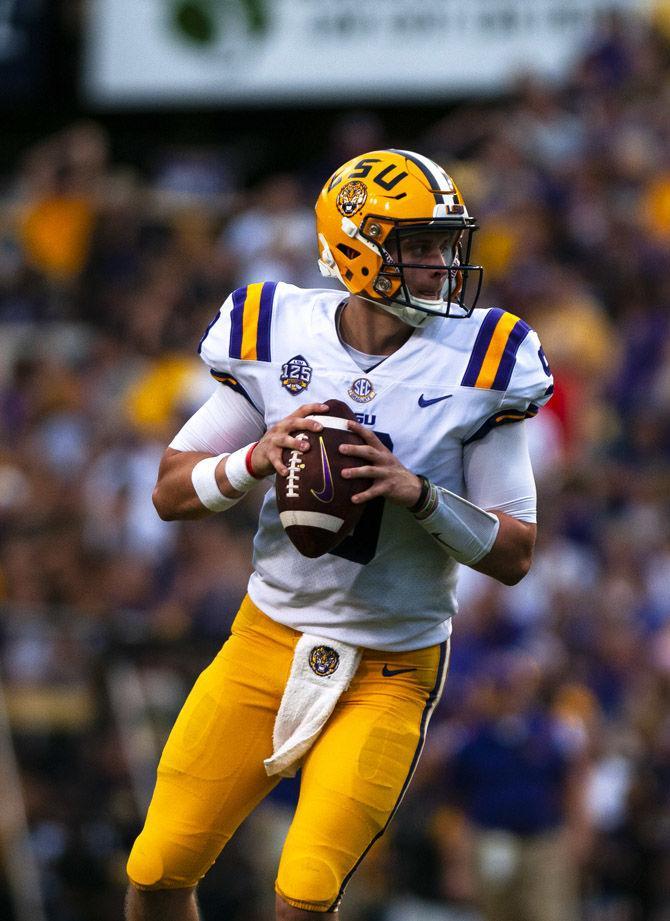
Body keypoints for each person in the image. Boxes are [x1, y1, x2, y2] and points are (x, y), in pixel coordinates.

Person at [125, 149, 554, 920]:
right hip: (265, 639)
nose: (441, 263)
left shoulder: (484, 358)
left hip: (390, 667)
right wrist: (255, 457)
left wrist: (420, 496)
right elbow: (169, 488)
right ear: (358, 246)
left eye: (444, 243)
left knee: (305, 894)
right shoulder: (277, 327)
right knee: (156, 871)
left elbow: (516, 551)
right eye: (419, 245)